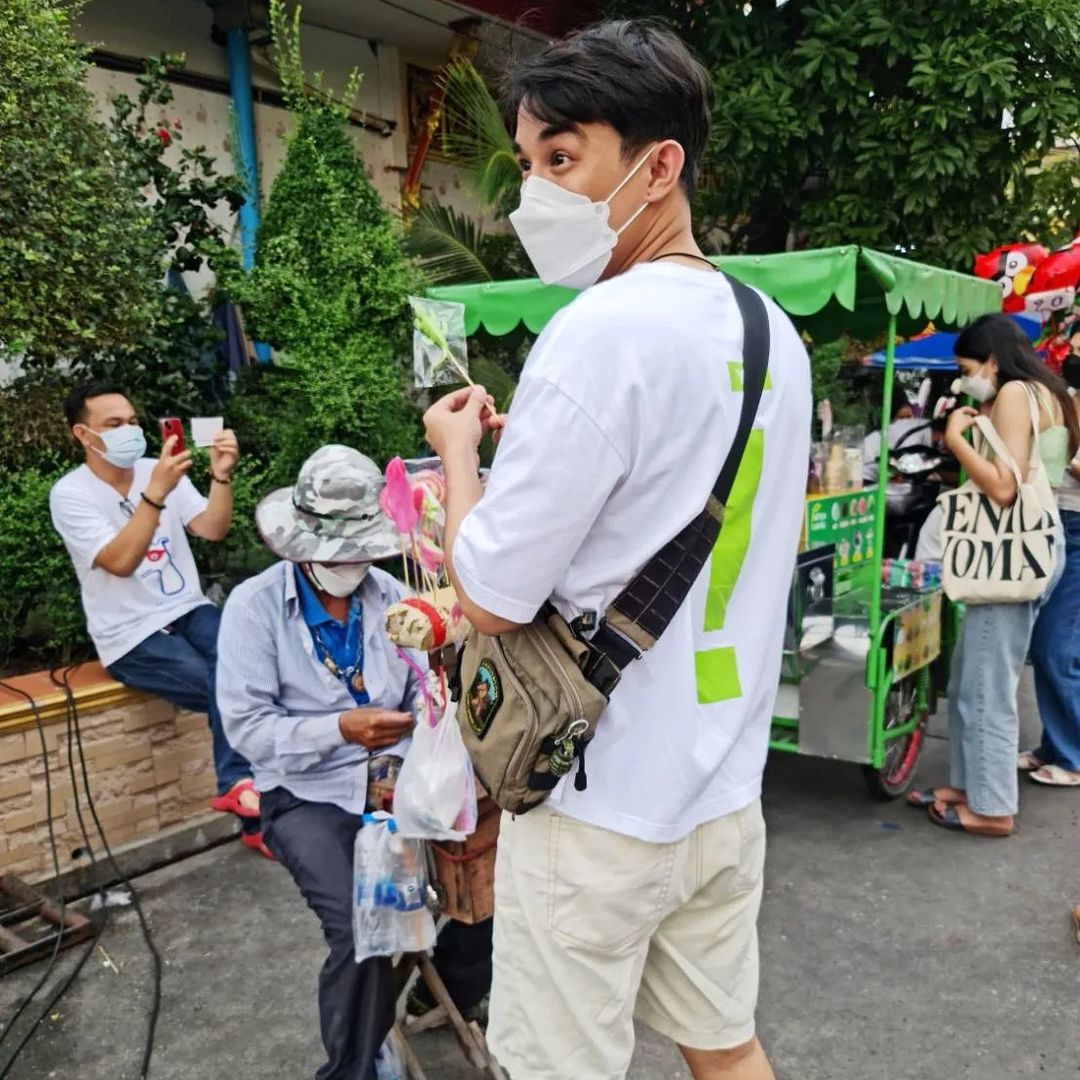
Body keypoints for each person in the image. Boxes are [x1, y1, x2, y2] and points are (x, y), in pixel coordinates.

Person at [424, 21, 811, 1080]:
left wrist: (458, 457)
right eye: (530, 163)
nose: (537, 193)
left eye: (564, 157)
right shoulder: (775, 332)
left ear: (659, 163)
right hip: (723, 788)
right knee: (725, 1048)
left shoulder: (596, 332)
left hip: (597, 800)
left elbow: (492, 595)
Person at [216, 446, 492, 1077]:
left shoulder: (394, 595)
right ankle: (352, 1065)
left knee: (486, 882)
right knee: (362, 928)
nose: (351, 565)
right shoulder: (254, 610)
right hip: (306, 795)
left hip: (398, 782)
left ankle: (437, 988)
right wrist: (339, 728)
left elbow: (426, 686)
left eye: (363, 548)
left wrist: (439, 698)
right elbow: (249, 732)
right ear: (301, 543)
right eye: (337, 553)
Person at [49, 383, 264, 853]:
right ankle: (249, 806)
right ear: (84, 434)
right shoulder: (71, 495)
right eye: (114, 425)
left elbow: (211, 528)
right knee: (222, 682)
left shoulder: (154, 469)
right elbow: (120, 561)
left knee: (254, 659)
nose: (130, 430)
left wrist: (221, 479)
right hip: (130, 635)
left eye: (131, 421)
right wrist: (155, 495)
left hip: (187, 608)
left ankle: (244, 797)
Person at [907, 314, 1077, 835]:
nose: (964, 378)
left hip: (1008, 552)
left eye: (966, 367)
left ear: (993, 360)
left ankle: (992, 807)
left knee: (986, 684)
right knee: (971, 678)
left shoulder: (1014, 394)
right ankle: (969, 785)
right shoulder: (1051, 393)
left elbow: (1004, 488)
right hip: (1034, 545)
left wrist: (958, 440)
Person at [1024, 349, 1080, 787]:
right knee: (1045, 643)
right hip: (1053, 520)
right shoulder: (1068, 399)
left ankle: (1072, 754)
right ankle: (1053, 744)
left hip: (1077, 528)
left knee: (1056, 646)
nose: (1073, 356)